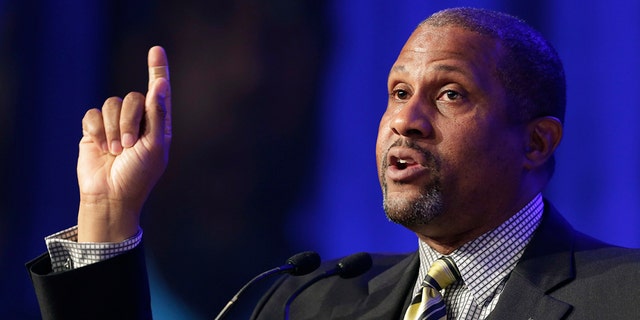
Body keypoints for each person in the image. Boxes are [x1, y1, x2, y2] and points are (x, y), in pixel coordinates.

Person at [27, 7, 640, 320]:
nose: (407, 119)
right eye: (398, 93)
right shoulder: (306, 302)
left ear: (536, 143)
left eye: (450, 94)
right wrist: (107, 216)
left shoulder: (622, 296)